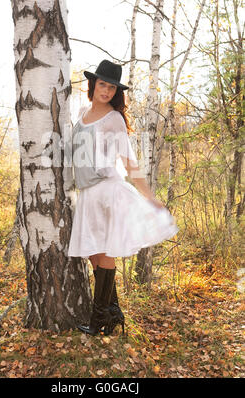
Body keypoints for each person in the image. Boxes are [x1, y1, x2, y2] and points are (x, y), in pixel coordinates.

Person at [67, 59, 179, 336]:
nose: (106, 91)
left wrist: (150, 197)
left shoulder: (114, 119)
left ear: (117, 92)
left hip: (107, 191)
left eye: (112, 87)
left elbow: (129, 162)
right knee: (94, 254)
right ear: (92, 85)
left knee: (104, 253)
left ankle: (98, 321)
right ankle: (113, 313)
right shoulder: (81, 113)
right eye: (102, 84)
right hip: (88, 194)